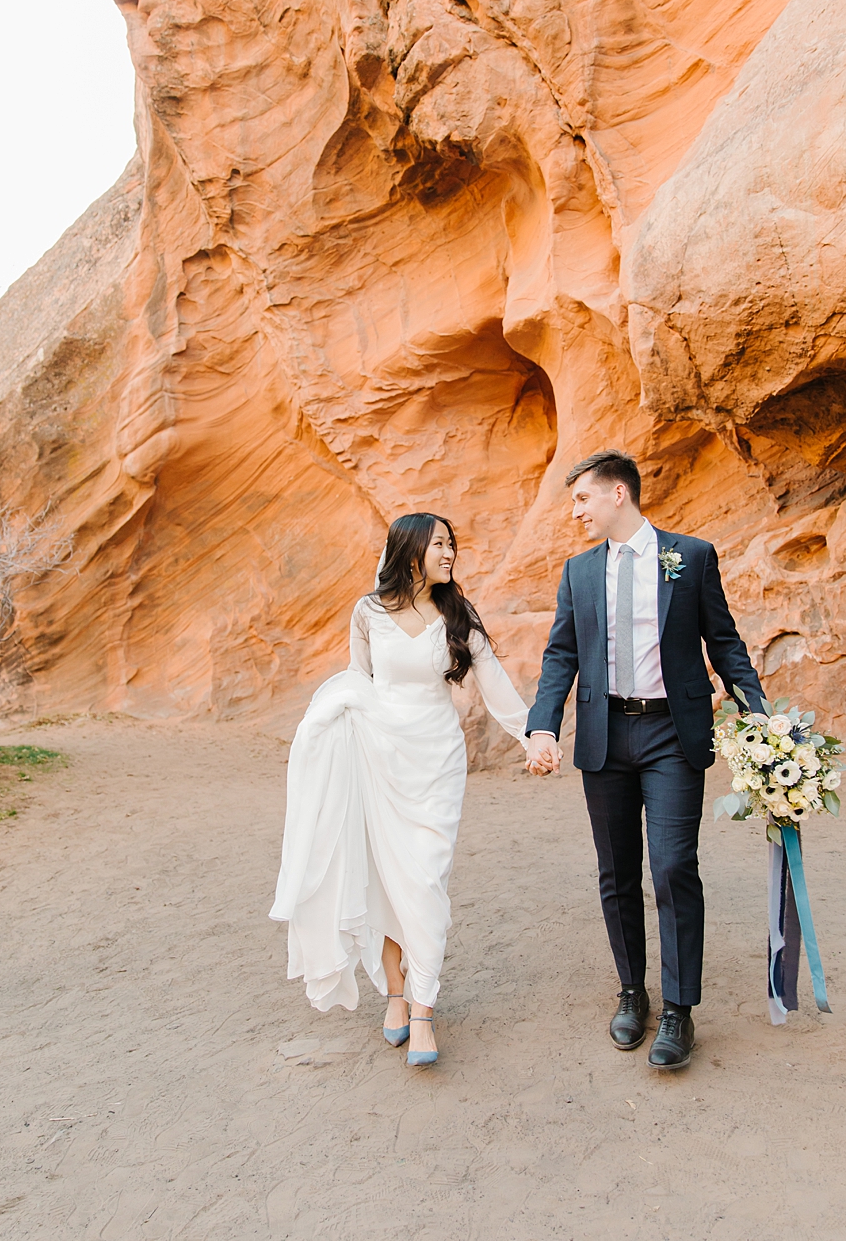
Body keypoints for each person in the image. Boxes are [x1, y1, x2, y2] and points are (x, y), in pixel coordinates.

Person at [525, 450, 764, 1070]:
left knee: (673, 866)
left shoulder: (691, 556)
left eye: (582, 499)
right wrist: (542, 727)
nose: (575, 512)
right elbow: (561, 656)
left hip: (672, 734)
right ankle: (633, 992)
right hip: (604, 738)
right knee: (617, 872)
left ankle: (680, 1010)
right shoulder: (577, 572)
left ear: (618, 496)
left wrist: (759, 714)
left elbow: (725, 641)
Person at [270, 513, 530, 1067]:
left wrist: (534, 738)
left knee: (425, 879)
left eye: (452, 543)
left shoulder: (457, 615)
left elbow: (497, 687)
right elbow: (358, 683)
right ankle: (398, 995)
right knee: (389, 882)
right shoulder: (367, 612)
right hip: (380, 759)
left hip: (437, 760)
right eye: (440, 543)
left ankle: (424, 1010)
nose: (450, 552)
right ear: (410, 548)